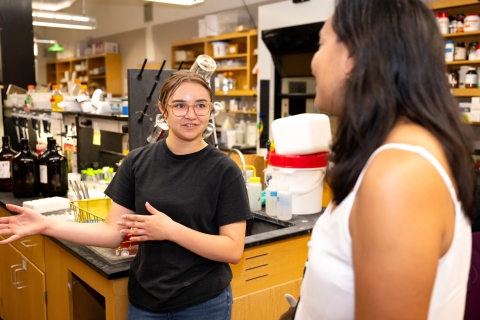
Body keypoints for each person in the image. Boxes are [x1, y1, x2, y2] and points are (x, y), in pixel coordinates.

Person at [0, 70, 252, 319]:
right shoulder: (138, 161)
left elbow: (232, 249)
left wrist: (171, 230)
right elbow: (111, 233)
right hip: (145, 302)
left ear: (210, 111)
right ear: (163, 109)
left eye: (200, 105)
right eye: (179, 105)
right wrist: (46, 224)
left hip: (203, 304)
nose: (191, 115)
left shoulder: (224, 170)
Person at [294, 0, 476, 319]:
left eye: (320, 43)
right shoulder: (396, 154)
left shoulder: (400, 174)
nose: (312, 63)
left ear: (352, 56)